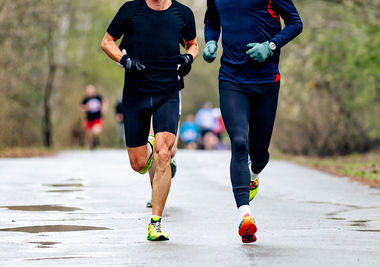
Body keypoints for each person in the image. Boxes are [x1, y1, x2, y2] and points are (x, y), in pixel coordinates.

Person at [203, 0, 303, 243]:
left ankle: (254, 172)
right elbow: (211, 19)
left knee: (260, 154)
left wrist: (270, 45)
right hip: (231, 78)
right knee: (238, 142)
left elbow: (295, 23)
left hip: (266, 80)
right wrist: (211, 41)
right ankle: (245, 215)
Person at [101, 0, 198, 241]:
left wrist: (188, 58)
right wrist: (125, 61)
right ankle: (151, 145)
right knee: (138, 164)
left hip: (168, 91)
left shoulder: (182, 13)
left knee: (164, 155)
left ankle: (156, 223)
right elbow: (107, 42)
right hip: (136, 94)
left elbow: (193, 44)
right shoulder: (130, 11)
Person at [81, 85, 107, 149]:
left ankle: (96, 138)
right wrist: (86, 108)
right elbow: (81, 108)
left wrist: (104, 108)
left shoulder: (98, 97)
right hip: (89, 119)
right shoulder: (85, 99)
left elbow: (104, 101)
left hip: (97, 118)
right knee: (89, 135)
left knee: (96, 131)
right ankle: (92, 144)